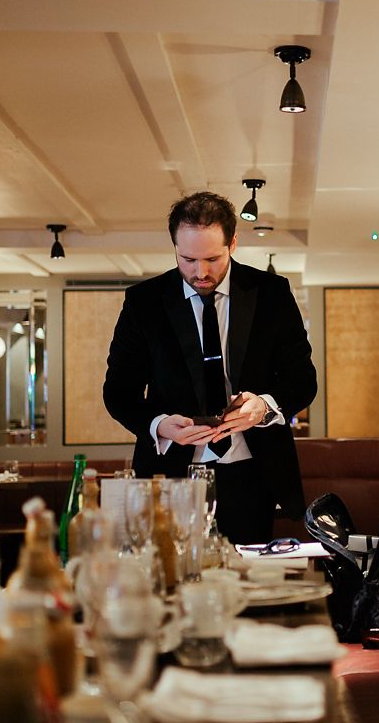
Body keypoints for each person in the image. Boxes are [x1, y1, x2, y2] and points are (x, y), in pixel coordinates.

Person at [103, 191, 317, 544]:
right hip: (171, 476)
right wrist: (160, 425)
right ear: (173, 245)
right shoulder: (143, 302)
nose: (200, 272)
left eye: (213, 258)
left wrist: (262, 407)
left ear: (233, 243)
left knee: (246, 589)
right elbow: (118, 392)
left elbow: (302, 380)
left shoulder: (272, 293)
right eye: (187, 259)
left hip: (253, 472)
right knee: (175, 587)